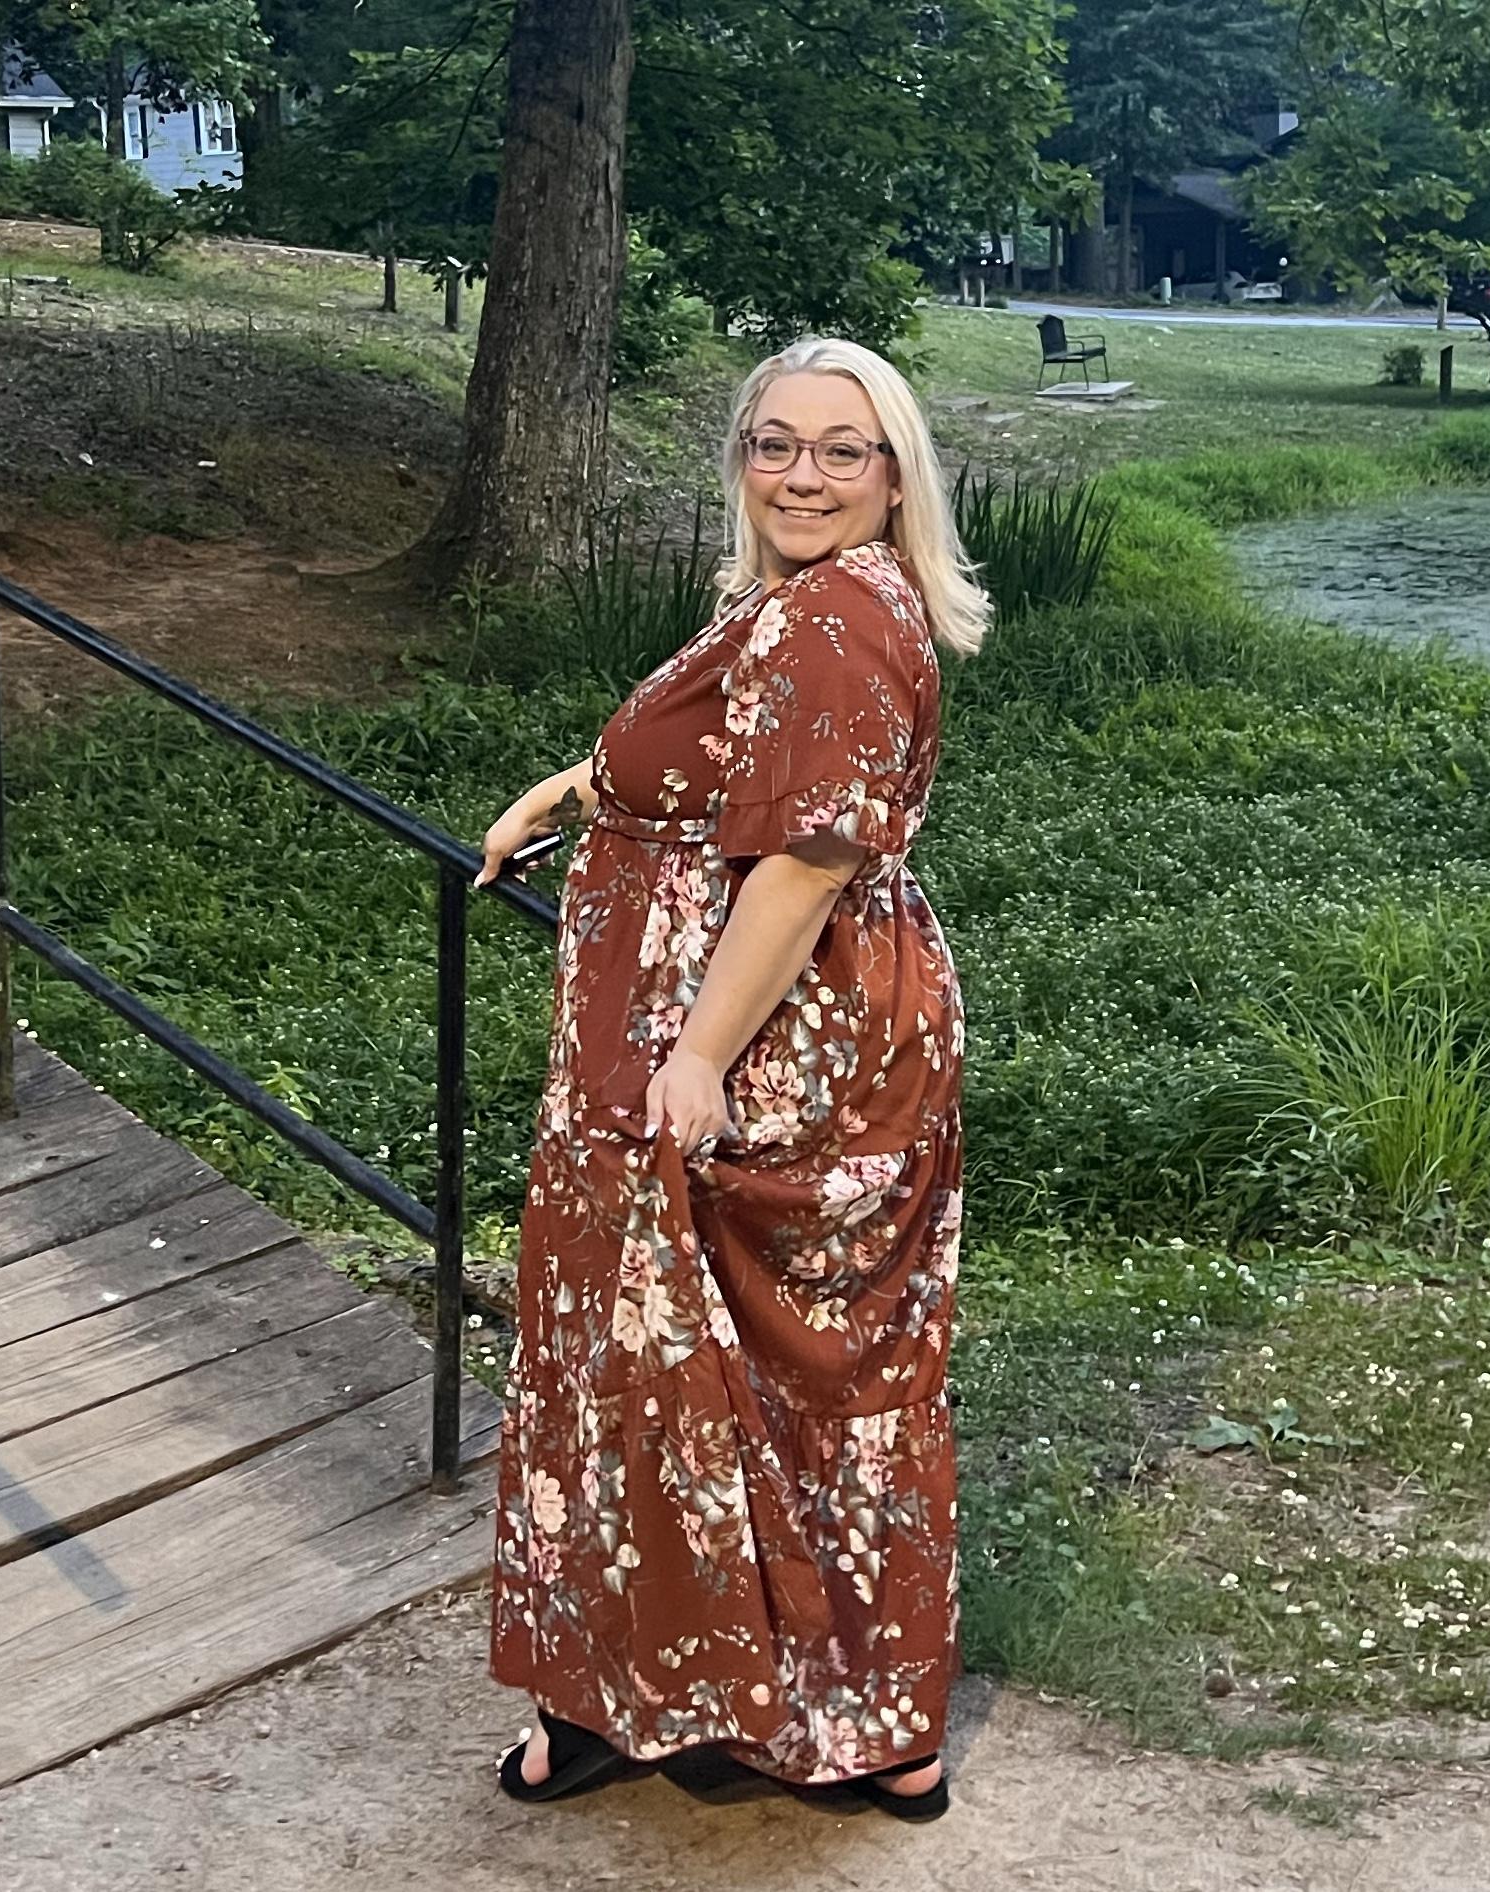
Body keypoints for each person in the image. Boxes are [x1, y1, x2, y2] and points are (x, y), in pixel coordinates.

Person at [476, 334, 989, 1822]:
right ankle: (719, 1697)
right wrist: (578, 788)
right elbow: (719, 762)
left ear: (895, 476)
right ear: (742, 460)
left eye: (842, 451)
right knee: (732, 1368)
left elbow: (811, 858)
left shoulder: (836, 619)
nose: (803, 476)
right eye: (776, 444)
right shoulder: (805, 603)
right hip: (753, 1023)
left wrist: (698, 1052)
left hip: (759, 1043)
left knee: (728, 1363)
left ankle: (743, 1704)